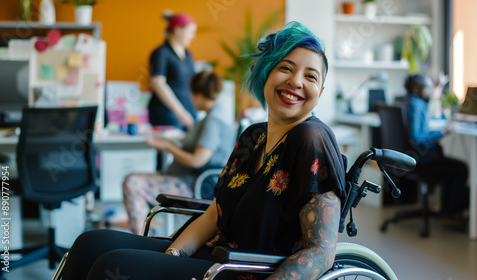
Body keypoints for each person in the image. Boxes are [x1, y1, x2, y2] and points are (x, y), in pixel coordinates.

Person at [61, 22, 347, 280]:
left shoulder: (312, 139)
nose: (296, 81)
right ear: (266, 73)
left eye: (310, 76)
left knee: (112, 266)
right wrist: (172, 256)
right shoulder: (254, 135)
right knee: (90, 244)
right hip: (213, 255)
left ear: (320, 92)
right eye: (285, 67)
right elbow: (214, 214)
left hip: (244, 270)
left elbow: (321, 251)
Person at [123, 69, 234, 235]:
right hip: (187, 179)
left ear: (199, 94)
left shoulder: (214, 121)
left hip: (194, 184)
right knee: (135, 180)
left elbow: (197, 160)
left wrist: (169, 147)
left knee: (132, 183)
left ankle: (141, 239)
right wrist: (170, 143)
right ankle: (148, 234)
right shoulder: (214, 115)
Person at [404, 74, 469, 215]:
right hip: (422, 157)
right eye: (427, 88)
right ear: (416, 89)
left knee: (450, 166)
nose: (430, 91)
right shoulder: (417, 105)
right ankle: (451, 212)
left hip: (415, 156)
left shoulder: (410, 102)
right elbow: (417, 137)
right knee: (460, 168)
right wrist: (443, 132)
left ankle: (447, 210)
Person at [149, 11, 197, 170]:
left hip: (187, 112)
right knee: (168, 154)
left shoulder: (188, 55)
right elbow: (158, 82)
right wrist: (180, 112)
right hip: (167, 113)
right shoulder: (161, 53)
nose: (192, 36)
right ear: (178, 29)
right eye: (190, 32)